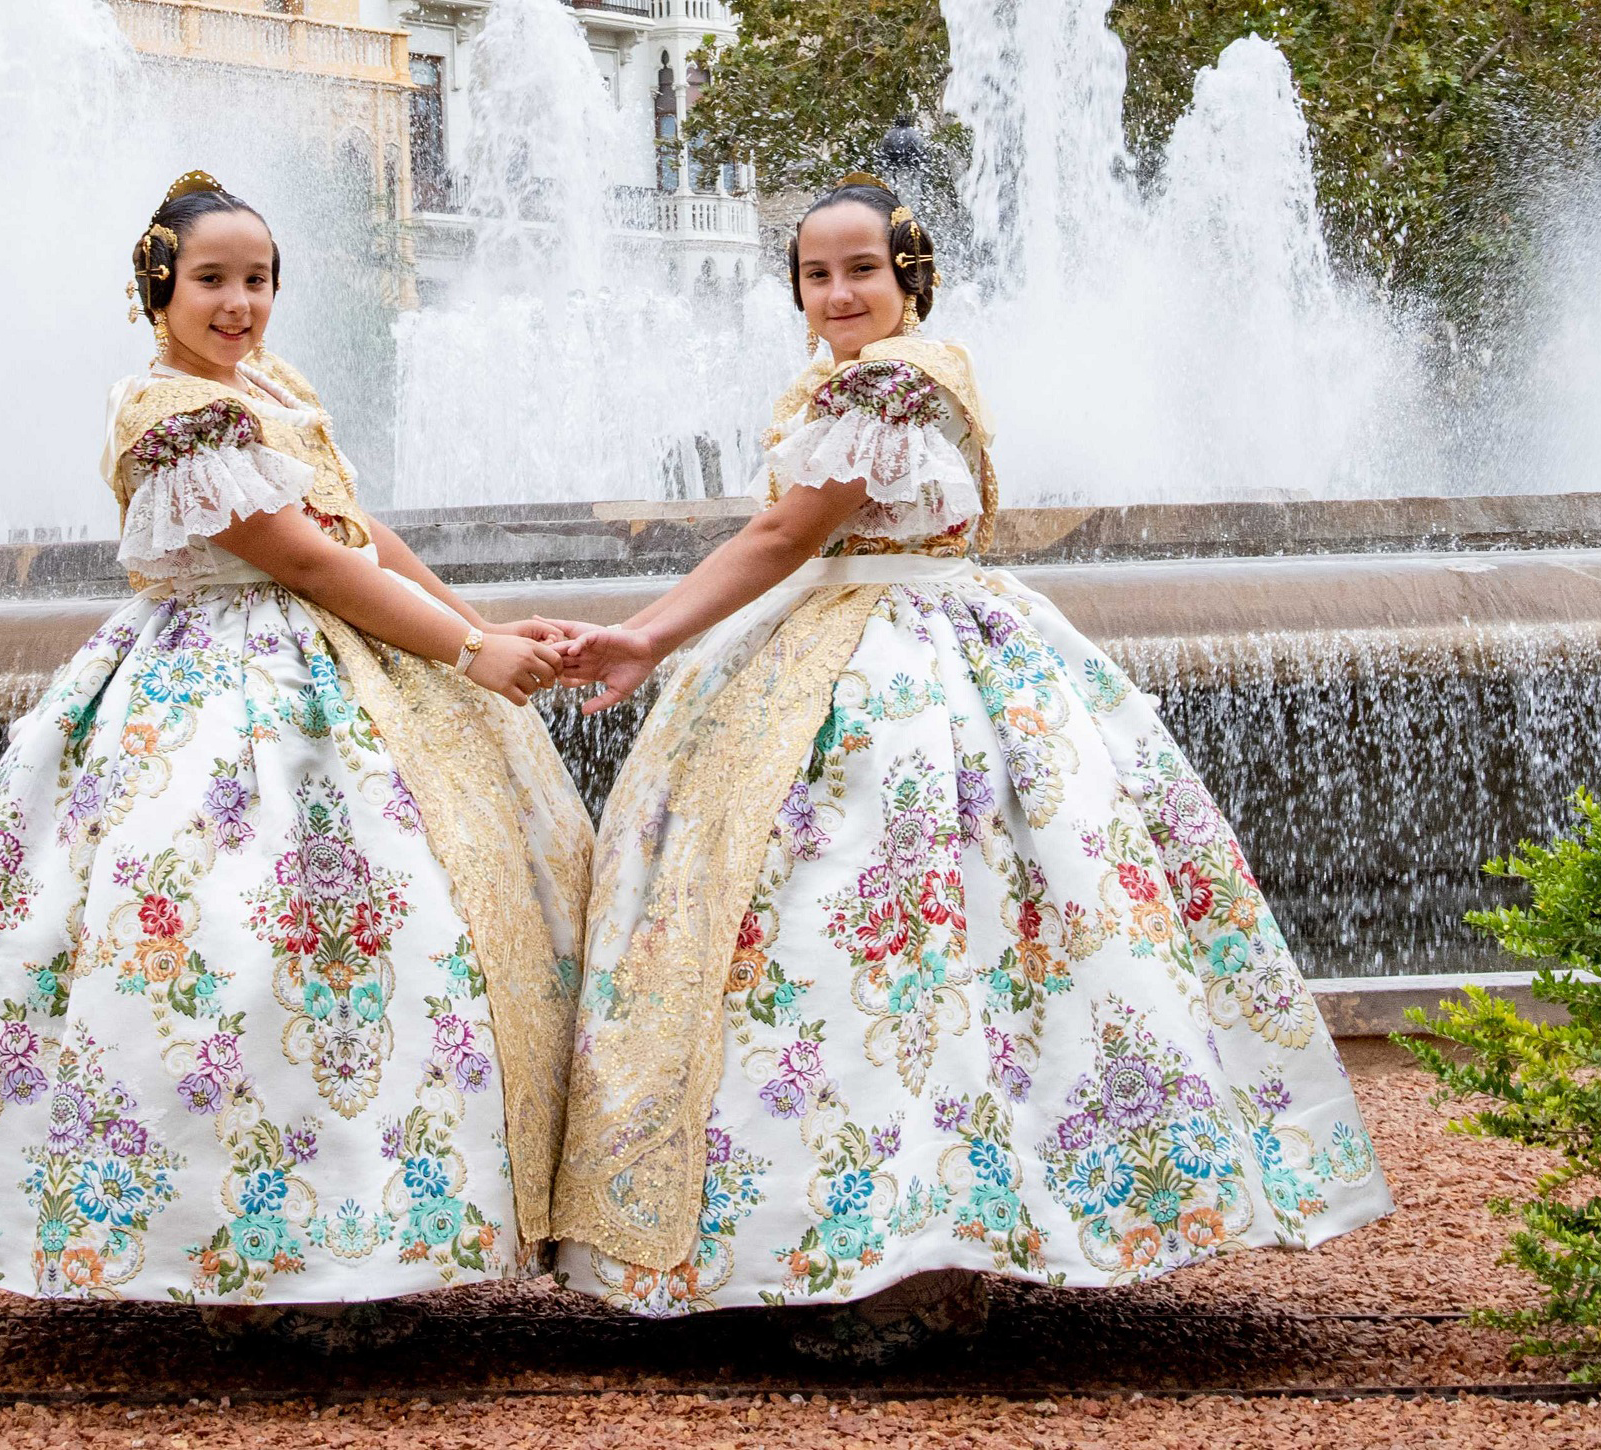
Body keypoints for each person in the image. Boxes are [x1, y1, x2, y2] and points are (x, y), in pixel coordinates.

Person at [548, 174, 1392, 1354]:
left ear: (908, 278)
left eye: (861, 269)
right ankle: (870, 1237)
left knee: (885, 941)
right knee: (888, 953)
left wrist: (643, 635)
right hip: (863, 640)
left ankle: (908, 1255)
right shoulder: (872, 377)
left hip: (895, 668)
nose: (838, 291)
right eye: (815, 272)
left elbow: (787, 533)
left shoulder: (892, 383)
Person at [0, 172, 592, 1323]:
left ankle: (368, 1231)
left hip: (334, 670)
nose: (238, 303)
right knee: (239, 943)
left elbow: (354, 527)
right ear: (159, 285)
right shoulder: (170, 413)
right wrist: (464, 654)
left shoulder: (266, 387)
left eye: (256, 280)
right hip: (223, 693)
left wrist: (478, 626)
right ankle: (254, 1245)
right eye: (211, 281)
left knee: (361, 956)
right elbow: (303, 562)